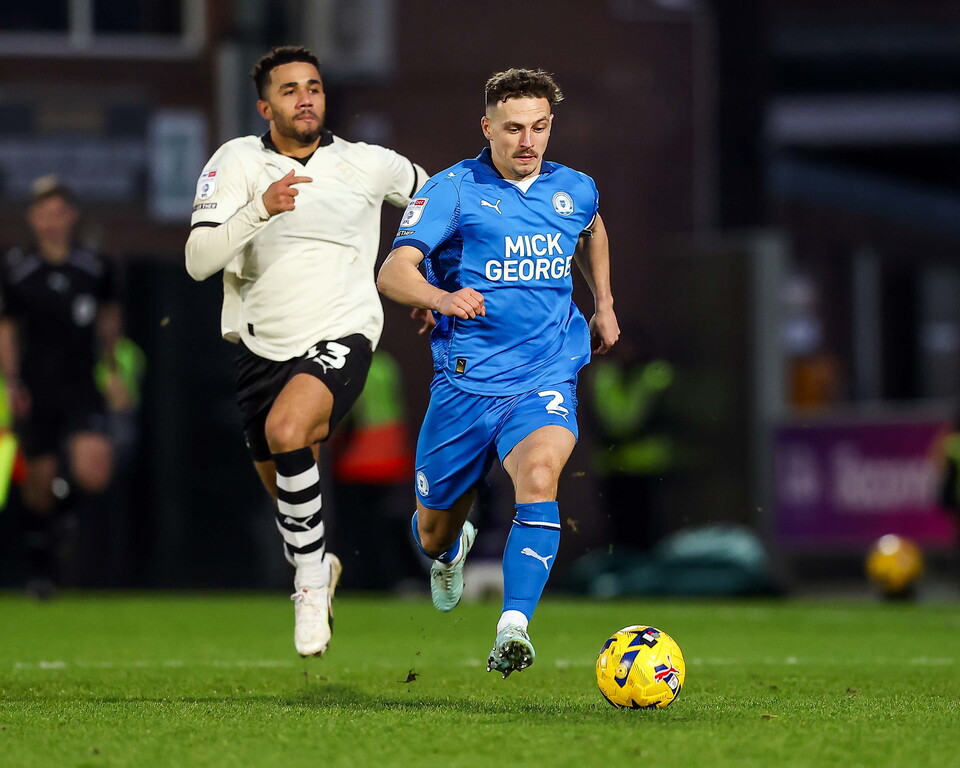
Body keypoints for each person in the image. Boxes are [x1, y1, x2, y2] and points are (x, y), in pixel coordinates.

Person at [377, 68, 620, 677]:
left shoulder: (576, 188)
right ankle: (450, 548)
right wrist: (441, 299)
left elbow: (592, 230)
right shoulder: (452, 190)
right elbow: (394, 271)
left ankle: (513, 626)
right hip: (465, 385)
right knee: (432, 533)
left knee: (540, 475)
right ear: (487, 128)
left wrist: (605, 304)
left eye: (538, 127)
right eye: (513, 129)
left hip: (544, 373)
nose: (528, 141)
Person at [184, 45, 426, 657]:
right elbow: (197, 261)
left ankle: (311, 583)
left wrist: (428, 283)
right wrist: (259, 210)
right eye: (289, 89)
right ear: (266, 106)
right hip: (260, 346)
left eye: (313, 86)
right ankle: (314, 561)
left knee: (290, 428)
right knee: (290, 499)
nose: (305, 97)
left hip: (342, 331)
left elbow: (440, 206)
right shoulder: (235, 161)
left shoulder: (369, 165)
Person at [0, 177, 120, 596]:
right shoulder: (18, 270)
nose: (51, 222)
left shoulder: (94, 267)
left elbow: (108, 321)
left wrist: (114, 370)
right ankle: (41, 568)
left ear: (70, 216)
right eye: (43, 214)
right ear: (33, 219)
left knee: (95, 470)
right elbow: (7, 331)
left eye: (58, 213)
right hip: (36, 388)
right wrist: (11, 382)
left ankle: (65, 508)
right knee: (39, 482)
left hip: (82, 384)